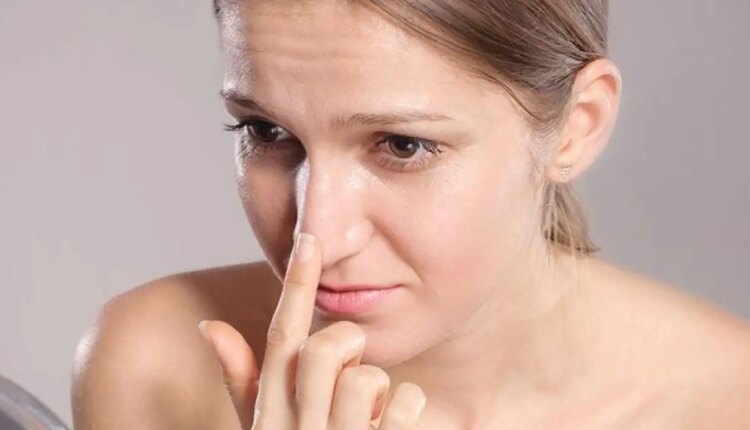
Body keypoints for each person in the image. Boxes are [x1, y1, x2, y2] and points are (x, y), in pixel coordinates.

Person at [71, 0, 750, 428]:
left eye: (402, 145)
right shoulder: (158, 365)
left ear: (578, 125)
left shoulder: (729, 403)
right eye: (267, 131)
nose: (317, 234)